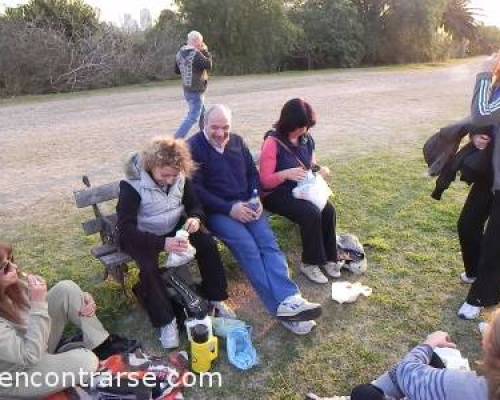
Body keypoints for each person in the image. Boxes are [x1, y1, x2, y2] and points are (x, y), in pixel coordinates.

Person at [188, 104, 322, 336]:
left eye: (225, 128)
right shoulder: (192, 148)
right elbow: (196, 190)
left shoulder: (238, 142)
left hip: (249, 204)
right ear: (203, 125)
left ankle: (291, 299)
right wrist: (230, 209)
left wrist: (255, 197)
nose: (220, 133)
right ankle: (281, 310)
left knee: (268, 244)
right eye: (215, 128)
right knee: (249, 248)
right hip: (219, 212)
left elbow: (252, 174)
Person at [117, 137, 234, 349]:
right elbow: (125, 230)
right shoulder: (131, 185)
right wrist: (162, 244)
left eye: (174, 175)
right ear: (151, 165)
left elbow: (195, 205)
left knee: (206, 243)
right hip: (142, 233)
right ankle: (166, 321)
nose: (170, 180)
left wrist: (195, 219)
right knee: (149, 267)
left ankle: (216, 297)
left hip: (173, 225)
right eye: (164, 175)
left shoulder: (180, 176)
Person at [0, 242, 135, 399]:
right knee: (86, 361)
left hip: (32, 343)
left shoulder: (10, 283)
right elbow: (29, 356)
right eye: (4, 267)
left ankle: (102, 345)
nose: (14, 267)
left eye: (11, 259)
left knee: (66, 289)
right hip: (17, 375)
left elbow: (46, 306)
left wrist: (83, 297)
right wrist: (38, 304)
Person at [259, 98, 341, 284]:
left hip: (301, 189)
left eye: (306, 126)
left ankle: (329, 257)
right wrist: (285, 174)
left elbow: (309, 164)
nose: (304, 130)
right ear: (288, 123)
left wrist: (319, 169)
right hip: (275, 193)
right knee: (310, 213)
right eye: (300, 126)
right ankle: (310, 263)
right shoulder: (272, 142)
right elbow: (265, 180)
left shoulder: (306, 139)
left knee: (328, 210)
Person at [348, 308, 500, 400]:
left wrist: (430, 342)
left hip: (425, 383)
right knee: (430, 360)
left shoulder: (464, 386)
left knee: (363, 394)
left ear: (489, 344)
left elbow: (406, 371)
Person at [457, 54, 500, 320]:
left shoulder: (491, 79)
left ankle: (481, 296)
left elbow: (482, 111)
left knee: (495, 240)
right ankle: (475, 273)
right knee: (468, 223)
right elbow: (486, 118)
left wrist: (484, 73)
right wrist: (477, 135)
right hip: (491, 172)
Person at [174, 30, 212, 139]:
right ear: (196, 41)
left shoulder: (179, 53)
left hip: (187, 90)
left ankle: (206, 137)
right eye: (200, 42)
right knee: (193, 117)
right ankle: (175, 140)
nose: (201, 44)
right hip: (196, 90)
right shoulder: (195, 53)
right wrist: (205, 51)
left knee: (203, 115)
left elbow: (176, 70)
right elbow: (208, 65)